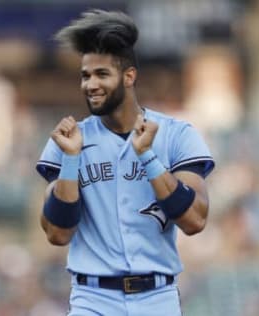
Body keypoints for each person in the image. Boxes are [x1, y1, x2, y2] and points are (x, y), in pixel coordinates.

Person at [35, 9, 215, 316]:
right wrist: (71, 160)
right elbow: (57, 234)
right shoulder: (68, 140)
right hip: (92, 298)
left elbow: (195, 220)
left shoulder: (175, 134)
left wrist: (149, 157)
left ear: (129, 76)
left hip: (157, 298)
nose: (90, 84)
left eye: (102, 74)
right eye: (85, 75)